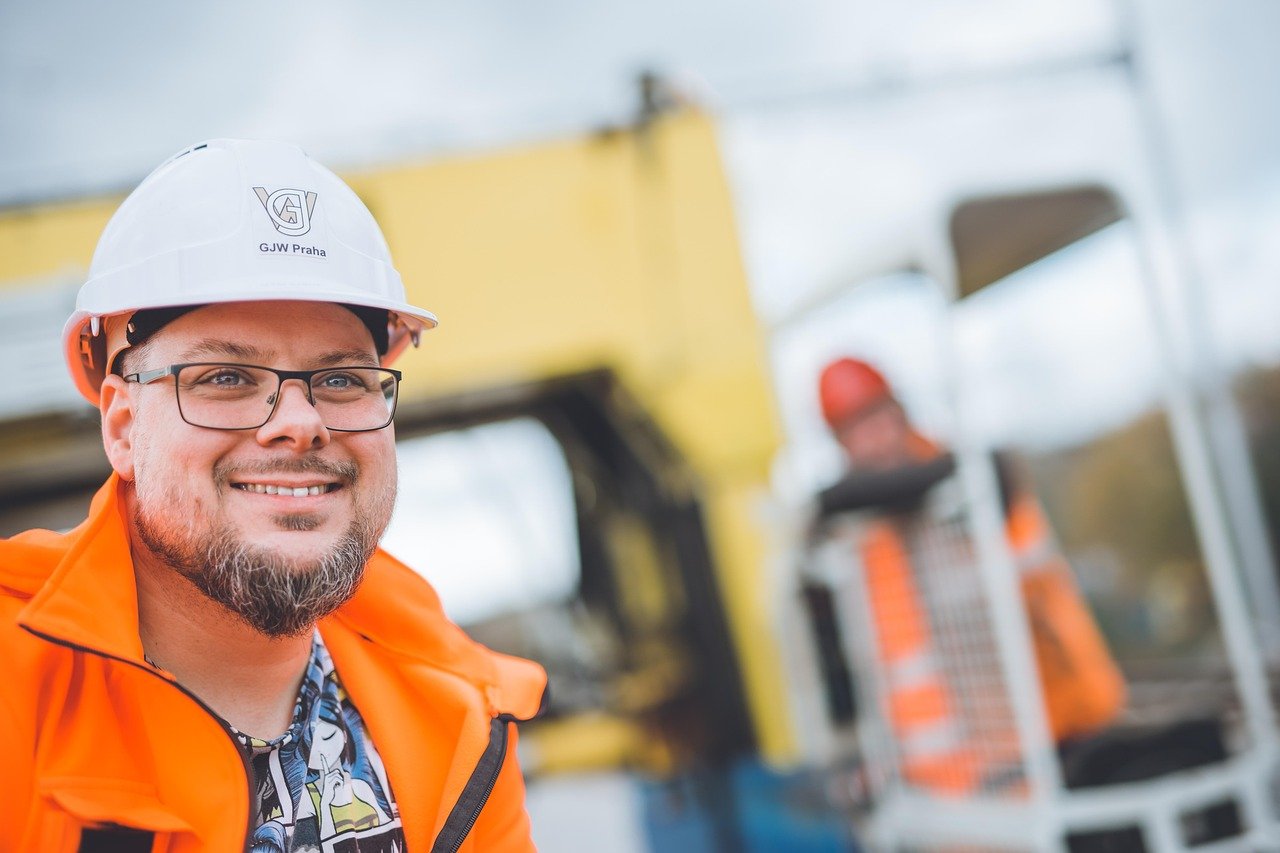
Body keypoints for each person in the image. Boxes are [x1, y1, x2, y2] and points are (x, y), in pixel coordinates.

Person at [0, 139, 547, 852]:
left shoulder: (463, 721)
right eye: (226, 377)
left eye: (344, 377)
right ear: (124, 427)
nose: (300, 423)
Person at [808, 357, 1125, 795]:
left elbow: (1026, 583)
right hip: (955, 779)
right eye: (854, 429)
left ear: (898, 410)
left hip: (1056, 729)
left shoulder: (972, 487)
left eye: (876, 417)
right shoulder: (861, 534)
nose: (873, 440)